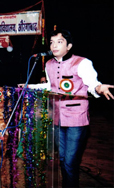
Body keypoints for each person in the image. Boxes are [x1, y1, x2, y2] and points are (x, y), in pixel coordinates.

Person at [43, 29, 114, 187]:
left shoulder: (82, 62)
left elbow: (92, 83)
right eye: (52, 42)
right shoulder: (48, 64)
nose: (54, 46)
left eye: (59, 42)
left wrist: (99, 88)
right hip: (57, 119)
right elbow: (50, 86)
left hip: (76, 118)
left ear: (69, 46)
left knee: (70, 162)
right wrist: (28, 87)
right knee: (62, 160)